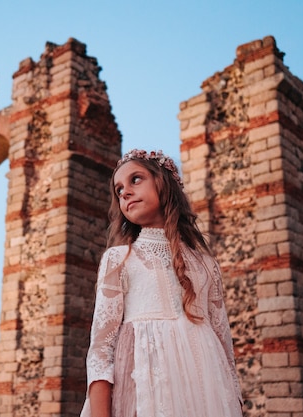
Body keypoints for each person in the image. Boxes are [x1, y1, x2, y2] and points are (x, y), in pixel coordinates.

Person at [81, 149, 243, 417]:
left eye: (136, 179)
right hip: (144, 384)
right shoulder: (119, 259)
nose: (125, 192)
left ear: (164, 184)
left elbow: (224, 344)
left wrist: (234, 402)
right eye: (119, 189)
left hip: (208, 390)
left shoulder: (206, 265)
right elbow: (101, 349)